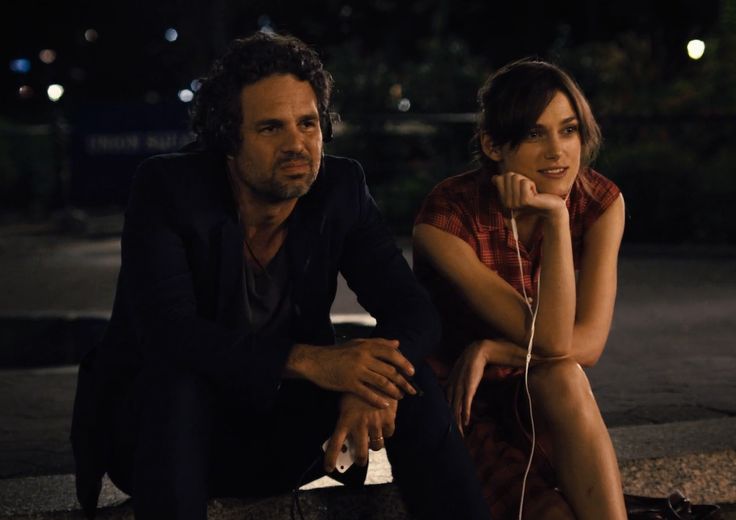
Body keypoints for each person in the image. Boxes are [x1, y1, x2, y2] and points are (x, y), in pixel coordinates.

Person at [71, 32, 491, 520]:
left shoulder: (340, 188)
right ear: (229, 137)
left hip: (278, 433)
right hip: (165, 442)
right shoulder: (168, 188)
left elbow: (414, 310)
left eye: (308, 123)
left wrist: (366, 385)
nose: (297, 144)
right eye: (271, 128)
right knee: (180, 383)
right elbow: (168, 335)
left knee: (400, 371)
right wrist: (312, 361)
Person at [413, 58, 627, 520]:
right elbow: (552, 341)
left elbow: (585, 346)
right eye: (535, 134)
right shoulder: (447, 217)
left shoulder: (600, 202)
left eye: (568, 131)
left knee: (563, 375)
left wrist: (494, 349)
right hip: (462, 403)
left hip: (536, 394)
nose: (558, 152)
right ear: (493, 145)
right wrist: (554, 214)